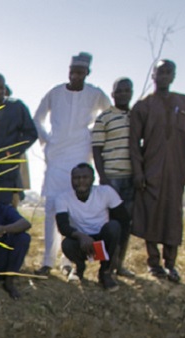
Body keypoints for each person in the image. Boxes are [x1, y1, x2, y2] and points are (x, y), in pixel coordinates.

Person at [34, 52, 112, 274]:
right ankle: (47, 262)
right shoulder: (55, 93)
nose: (76, 76)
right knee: (51, 209)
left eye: (80, 72)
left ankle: (69, 263)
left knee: (74, 211)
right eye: (73, 72)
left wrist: (92, 135)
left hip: (80, 156)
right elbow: (37, 118)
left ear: (88, 72)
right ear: (69, 72)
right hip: (56, 157)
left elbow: (108, 115)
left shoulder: (95, 94)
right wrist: (47, 140)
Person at [128, 60, 185, 282]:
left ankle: (171, 264)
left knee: (173, 216)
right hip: (151, 169)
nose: (164, 76)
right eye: (160, 72)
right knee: (151, 215)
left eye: (168, 72)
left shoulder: (183, 102)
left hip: (176, 170)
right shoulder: (142, 106)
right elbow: (134, 144)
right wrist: (138, 172)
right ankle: (154, 263)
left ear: (173, 76)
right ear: (153, 75)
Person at [54, 163, 129, 289]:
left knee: (114, 226)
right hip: (82, 242)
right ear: (71, 180)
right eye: (76, 178)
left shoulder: (106, 192)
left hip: (103, 241)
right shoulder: (63, 198)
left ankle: (105, 273)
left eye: (85, 177)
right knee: (66, 244)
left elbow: (124, 219)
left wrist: (118, 247)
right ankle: (79, 268)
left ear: (93, 179)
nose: (81, 181)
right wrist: (81, 236)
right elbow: (63, 226)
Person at [91, 78, 135, 269]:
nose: (123, 94)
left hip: (131, 177)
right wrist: (103, 176)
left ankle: (119, 264)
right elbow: (97, 150)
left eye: (127, 90)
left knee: (126, 223)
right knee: (107, 223)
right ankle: (104, 264)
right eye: (120, 91)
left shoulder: (136, 116)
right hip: (112, 177)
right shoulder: (104, 118)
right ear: (113, 94)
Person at [0, 74, 37, 206]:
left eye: (2, 88)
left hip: (8, 173)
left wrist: (13, 151)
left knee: (8, 217)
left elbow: (31, 133)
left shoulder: (16, 107)